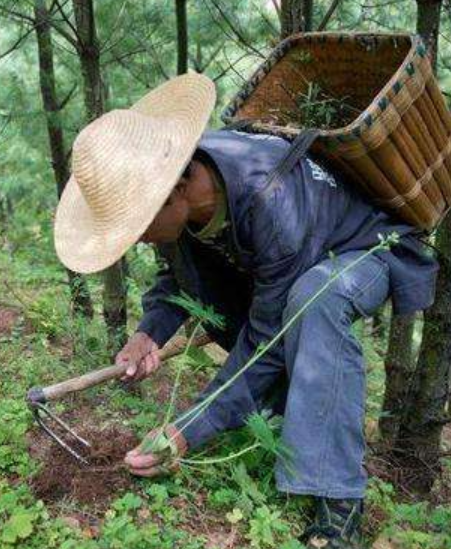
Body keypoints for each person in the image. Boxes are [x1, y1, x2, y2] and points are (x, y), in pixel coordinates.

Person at [53, 73, 438, 549]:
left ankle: (338, 505)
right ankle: (289, 423)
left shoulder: (267, 199)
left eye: (137, 226)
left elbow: (266, 342)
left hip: (365, 250)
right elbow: (177, 277)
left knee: (315, 299)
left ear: (174, 191)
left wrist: (192, 427)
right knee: (289, 301)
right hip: (289, 267)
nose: (137, 239)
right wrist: (149, 332)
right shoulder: (185, 189)